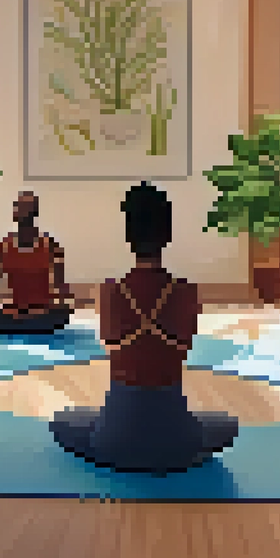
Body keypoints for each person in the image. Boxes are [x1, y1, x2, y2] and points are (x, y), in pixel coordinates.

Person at [49, 182, 238, 474]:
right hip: (179, 437)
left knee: (64, 420)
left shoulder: (109, 292)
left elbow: (111, 345)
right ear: (168, 234)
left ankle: (123, 453)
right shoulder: (187, 292)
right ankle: (172, 456)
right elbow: (182, 347)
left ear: (128, 235)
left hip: (114, 437)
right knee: (226, 424)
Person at [0, 191, 74, 334]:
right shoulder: (4, 248)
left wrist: (66, 303)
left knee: (61, 314)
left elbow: (61, 287)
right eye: (20, 209)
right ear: (15, 214)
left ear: (34, 214)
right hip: (14, 313)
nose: (24, 215)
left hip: (42, 314)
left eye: (28, 210)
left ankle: (28, 323)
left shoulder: (50, 246)